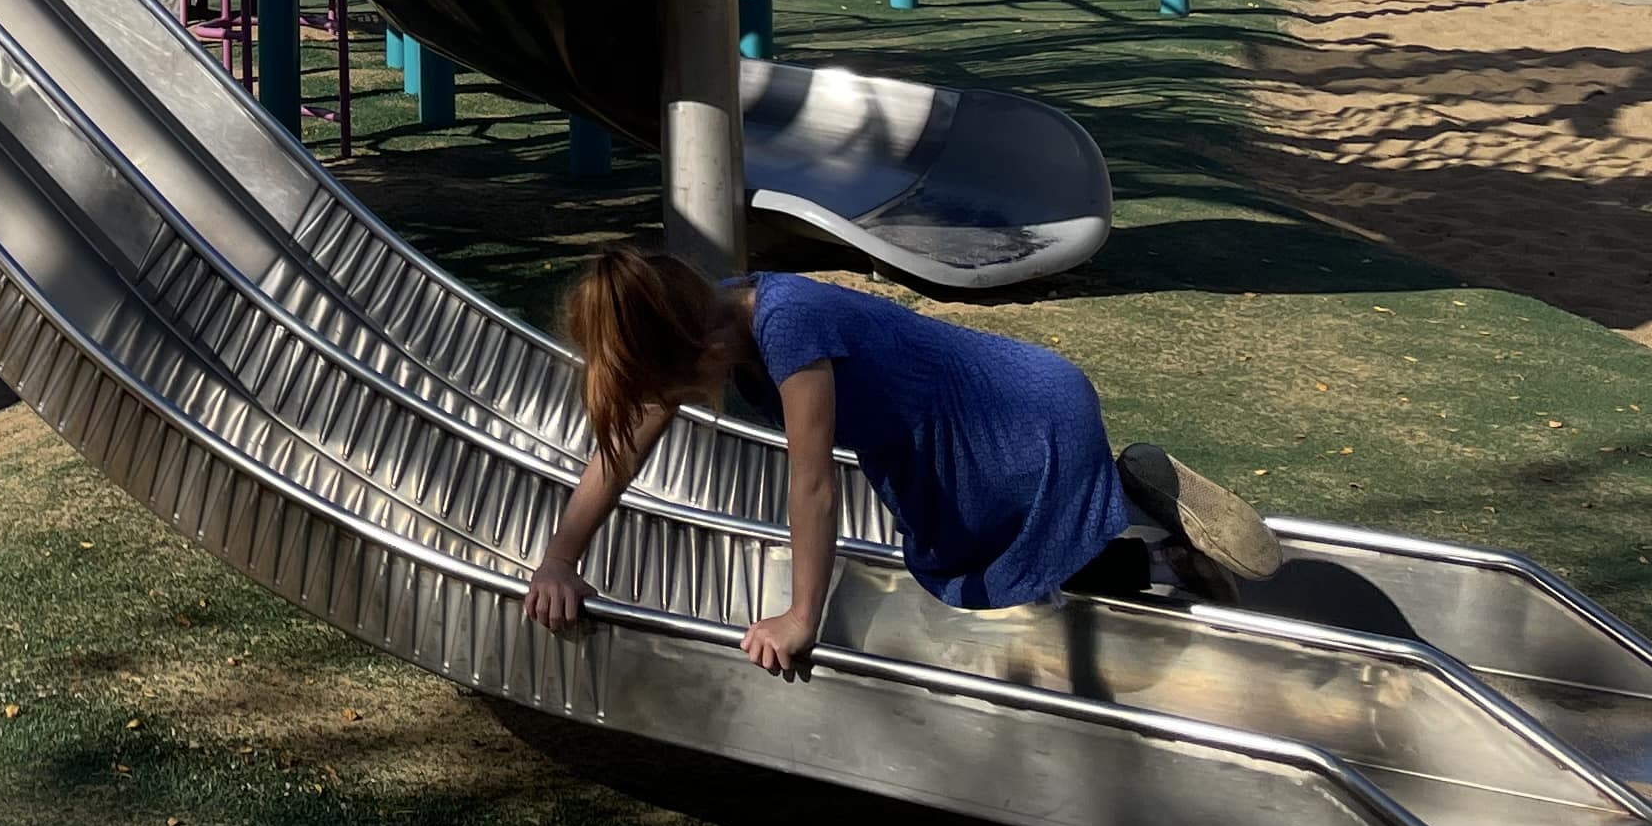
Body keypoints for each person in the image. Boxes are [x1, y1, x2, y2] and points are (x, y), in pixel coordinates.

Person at [524, 245, 1287, 674]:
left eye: (679, 385)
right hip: (968, 430)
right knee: (999, 569)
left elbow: (813, 484)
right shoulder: (705, 315)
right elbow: (621, 449)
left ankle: (1144, 518)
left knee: (999, 565)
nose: (677, 401)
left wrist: (799, 616)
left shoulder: (787, 326)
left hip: (1014, 425)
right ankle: (1156, 537)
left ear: (708, 346)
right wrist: (560, 557)